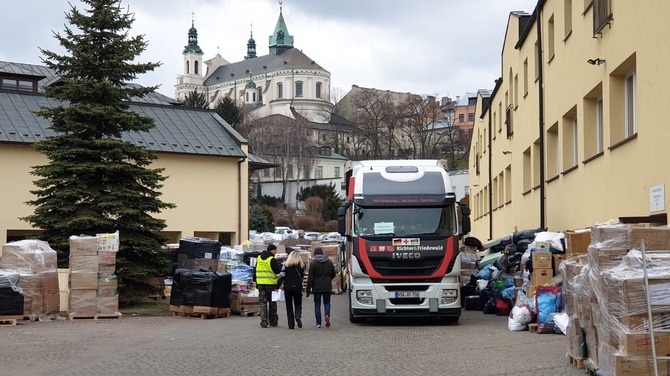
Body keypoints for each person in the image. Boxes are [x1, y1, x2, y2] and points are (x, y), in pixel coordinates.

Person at [305, 247, 336, 328]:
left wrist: (308, 290)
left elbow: (310, 278)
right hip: (327, 286)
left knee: (317, 305)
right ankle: (327, 315)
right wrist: (328, 279)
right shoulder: (329, 262)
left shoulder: (313, 263)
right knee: (327, 303)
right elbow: (334, 274)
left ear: (315, 254)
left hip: (316, 287)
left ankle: (318, 323)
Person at [254, 243, 282, 328]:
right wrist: (280, 265)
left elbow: (254, 270)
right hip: (271, 284)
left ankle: (263, 322)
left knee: (263, 304)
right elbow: (277, 271)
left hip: (261, 284)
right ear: (272, 250)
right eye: (275, 250)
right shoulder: (271, 259)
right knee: (272, 303)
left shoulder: (259, 258)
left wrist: (255, 282)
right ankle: (273, 321)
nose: (276, 252)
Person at [276, 248, 305, 329]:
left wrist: (277, 287)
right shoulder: (302, 266)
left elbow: (281, 277)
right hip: (298, 288)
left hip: (288, 288)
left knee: (289, 306)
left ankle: (291, 325)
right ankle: (298, 315)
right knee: (298, 304)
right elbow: (302, 277)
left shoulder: (285, 266)